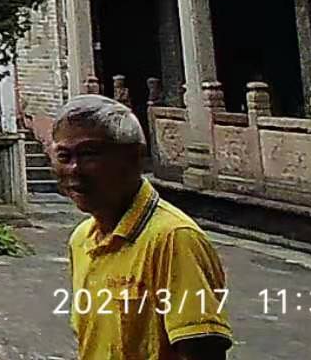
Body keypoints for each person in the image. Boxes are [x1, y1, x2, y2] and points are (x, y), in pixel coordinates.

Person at [52, 95, 232, 359]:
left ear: (134, 158)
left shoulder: (173, 239)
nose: (74, 169)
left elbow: (202, 350)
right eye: (64, 156)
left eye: (89, 154)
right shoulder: (83, 238)